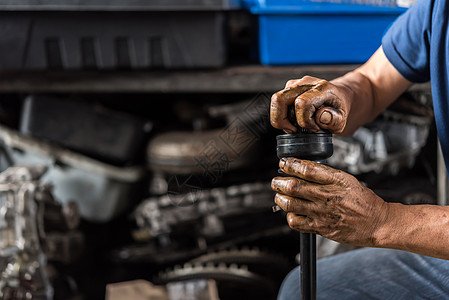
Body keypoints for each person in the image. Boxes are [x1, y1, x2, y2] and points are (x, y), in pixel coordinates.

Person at [270, 0, 449, 299]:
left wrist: (384, 221)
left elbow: (385, 222)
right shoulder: (439, 9)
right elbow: (373, 82)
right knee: (307, 289)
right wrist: (338, 96)